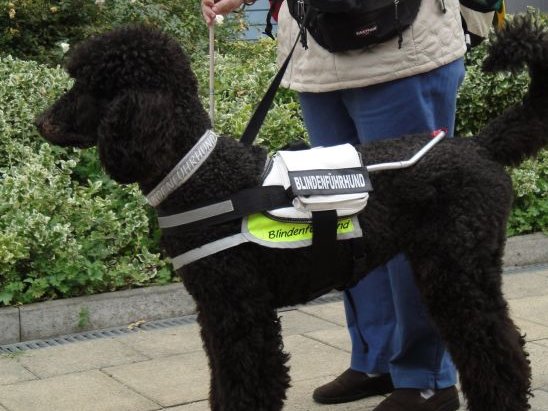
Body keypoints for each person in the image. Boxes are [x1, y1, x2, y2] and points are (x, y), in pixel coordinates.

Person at [202, 1, 466, 410]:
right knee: (345, 216)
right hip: (319, 52)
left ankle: (427, 377)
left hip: (402, 45)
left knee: (413, 220)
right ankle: (377, 359)